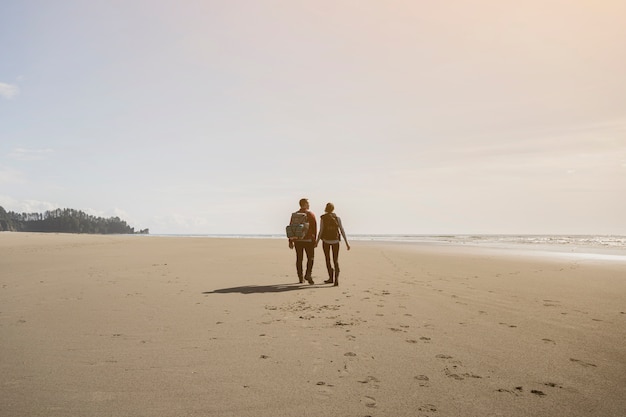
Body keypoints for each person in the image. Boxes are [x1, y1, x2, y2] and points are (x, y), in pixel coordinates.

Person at [316, 202, 350, 286]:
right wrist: (346, 243)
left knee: (328, 259)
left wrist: (316, 242)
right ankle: (336, 280)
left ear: (326, 209)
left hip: (326, 241)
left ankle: (331, 278)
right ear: (333, 209)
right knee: (335, 260)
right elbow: (342, 230)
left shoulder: (323, 218)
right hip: (335, 241)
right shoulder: (337, 218)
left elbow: (321, 231)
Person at [288, 198, 317, 285]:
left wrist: (290, 240)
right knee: (310, 258)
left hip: (298, 240)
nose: (309, 205)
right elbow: (314, 228)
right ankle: (308, 274)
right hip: (308, 240)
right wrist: (315, 239)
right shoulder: (310, 214)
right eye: (307, 203)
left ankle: (300, 277)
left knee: (299, 259)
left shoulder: (295, 215)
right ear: (304, 204)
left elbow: (291, 228)